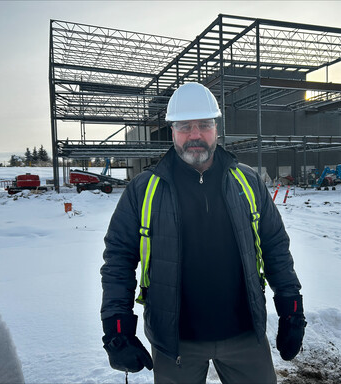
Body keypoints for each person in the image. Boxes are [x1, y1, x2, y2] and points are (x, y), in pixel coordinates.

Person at [100, 82, 306, 384]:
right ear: (172, 131)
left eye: (204, 125)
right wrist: (117, 329)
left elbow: (276, 248)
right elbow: (118, 260)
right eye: (185, 126)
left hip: (245, 335)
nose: (195, 135)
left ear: (216, 129)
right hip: (175, 342)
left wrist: (292, 310)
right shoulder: (144, 190)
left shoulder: (247, 182)